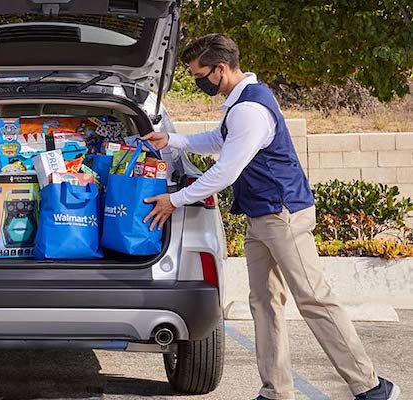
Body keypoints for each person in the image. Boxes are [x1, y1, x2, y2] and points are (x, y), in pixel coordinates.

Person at [141, 33, 400, 400]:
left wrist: (175, 200)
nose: (198, 81)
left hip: (283, 216)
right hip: (260, 218)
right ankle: (275, 391)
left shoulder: (250, 109)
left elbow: (225, 172)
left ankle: (369, 387)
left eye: (199, 74)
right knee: (264, 302)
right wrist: (174, 140)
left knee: (313, 299)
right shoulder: (239, 104)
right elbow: (219, 139)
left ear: (220, 69)